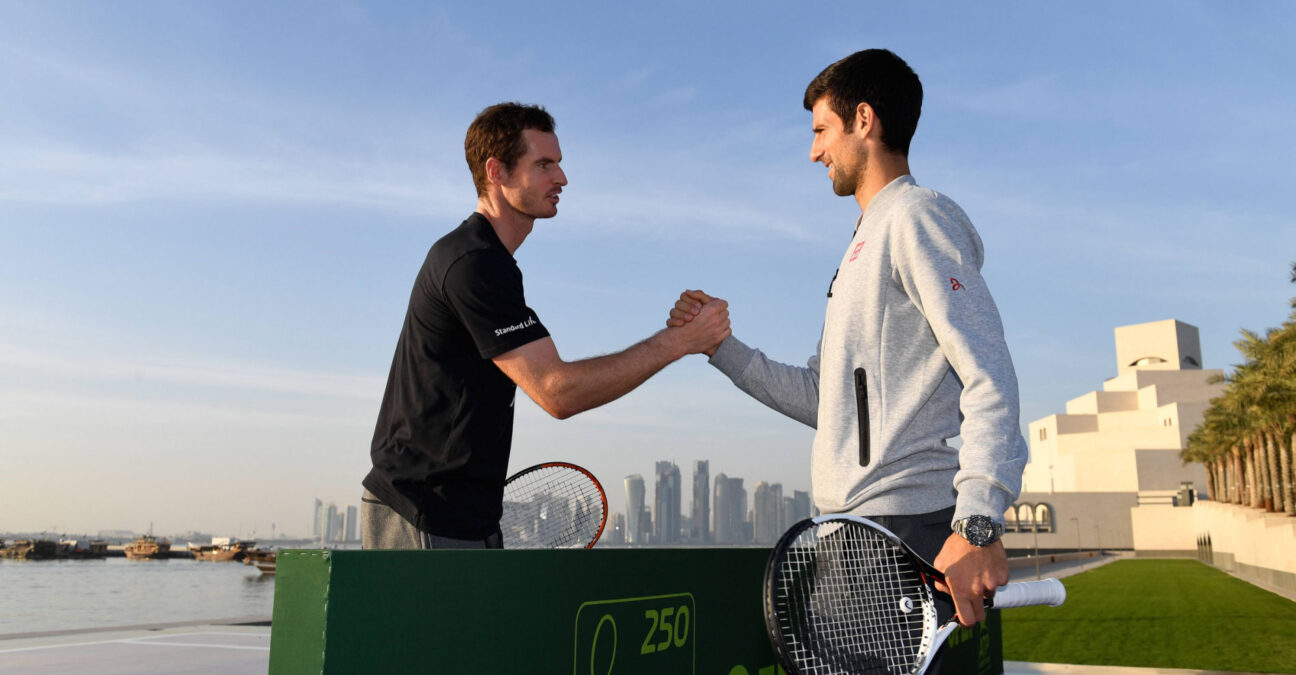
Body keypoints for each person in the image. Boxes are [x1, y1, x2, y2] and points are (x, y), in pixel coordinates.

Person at [670, 49, 1028, 630]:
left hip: (902, 528)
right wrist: (720, 348)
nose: (814, 151)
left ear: (864, 121)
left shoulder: (916, 218)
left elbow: (990, 374)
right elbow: (826, 397)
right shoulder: (863, 242)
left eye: (820, 130)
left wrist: (977, 522)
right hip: (855, 534)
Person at [363, 102, 730, 550]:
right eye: (544, 165)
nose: (562, 178)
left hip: (462, 516)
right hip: (424, 511)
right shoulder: (473, 263)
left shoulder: (488, 261)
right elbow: (558, 392)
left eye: (558, 163)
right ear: (496, 172)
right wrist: (678, 343)